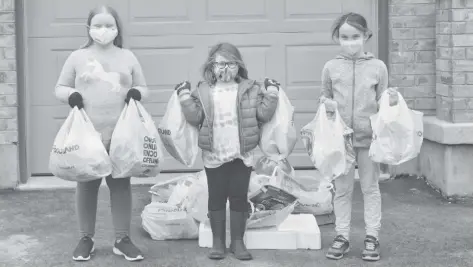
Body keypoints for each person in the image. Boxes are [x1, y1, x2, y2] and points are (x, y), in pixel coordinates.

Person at [54, 5, 148, 262]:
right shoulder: (77, 57)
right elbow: (60, 87)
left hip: (120, 136)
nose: (103, 30)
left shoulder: (127, 56)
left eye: (108, 25)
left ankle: (122, 239)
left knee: (121, 186)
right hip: (87, 137)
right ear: (89, 28)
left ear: (117, 28)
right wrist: (71, 95)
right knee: (87, 186)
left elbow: (142, 86)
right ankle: (86, 238)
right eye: (98, 25)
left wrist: (137, 93)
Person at [175, 42, 280, 261]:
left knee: (239, 197)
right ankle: (218, 242)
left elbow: (264, 114)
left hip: (242, 155)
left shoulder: (251, 88)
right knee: (216, 197)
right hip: (214, 156)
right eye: (220, 64)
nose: (225, 69)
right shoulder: (203, 90)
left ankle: (238, 241)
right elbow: (195, 118)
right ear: (211, 66)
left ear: (239, 66)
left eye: (230, 64)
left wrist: (271, 92)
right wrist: (185, 96)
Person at [320, 12, 398, 262]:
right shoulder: (330, 67)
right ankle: (341, 236)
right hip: (340, 140)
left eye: (355, 36)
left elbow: (382, 102)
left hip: (369, 139)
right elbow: (325, 97)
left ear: (365, 36)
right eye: (344, 37)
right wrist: (326, 105)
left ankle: (371, 237)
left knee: (370, 188)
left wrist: (391, 101)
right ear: (337, 38)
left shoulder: (378, 67)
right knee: (342, 191)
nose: (350, 41)